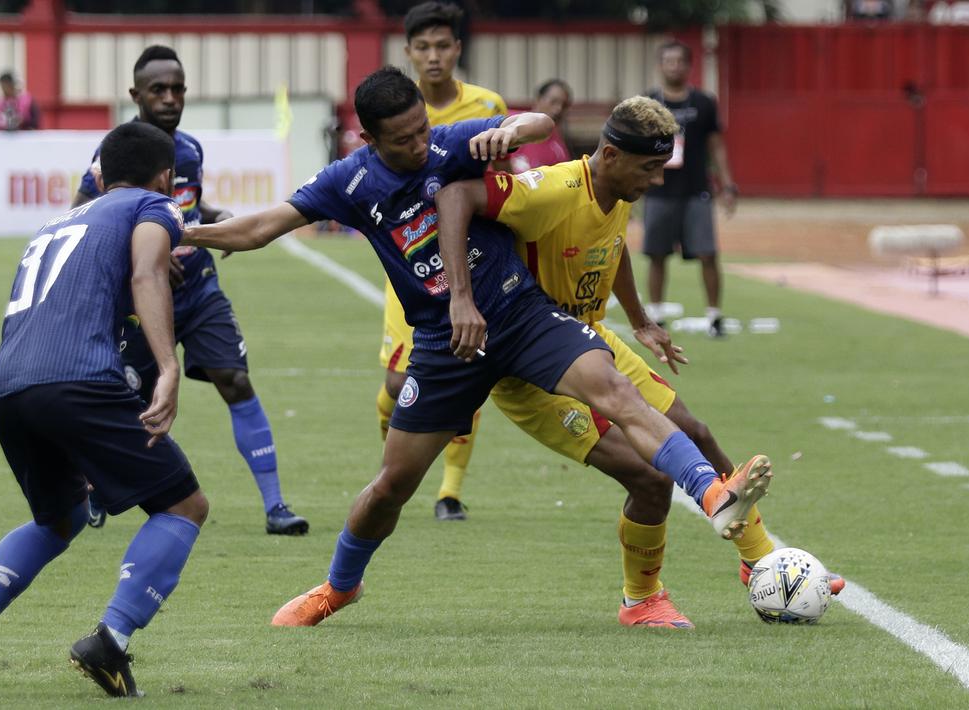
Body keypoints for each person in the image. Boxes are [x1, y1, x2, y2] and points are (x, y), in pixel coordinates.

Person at [177, 67, 773, 628]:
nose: (421, 146)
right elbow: (257, 229)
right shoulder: (347, 181)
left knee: (615, 389)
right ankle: (338, 586)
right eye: (404, 139)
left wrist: (512, 129)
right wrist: (182, 232)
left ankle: (711, 492)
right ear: (368, 137)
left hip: (521, 313)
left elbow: (539, 123)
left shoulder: (446, 143)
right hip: (445, 346)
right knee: (392, 485)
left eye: (423, 129)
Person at [437, 96, 843, 628]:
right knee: (649, 480)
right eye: (650, 168)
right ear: (609, 155)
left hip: (592, 339)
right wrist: (460, 298)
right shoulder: (553, 190)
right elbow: (455, 195)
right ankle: (640, 600)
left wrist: (642, 320)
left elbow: (612, 245)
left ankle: (759, 558)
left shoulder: (619, 187)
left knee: (694, 430)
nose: (656, 180)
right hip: (532, 363)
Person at [0, 121, 205, 698]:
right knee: (183, 505)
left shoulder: (57, 222)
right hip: (74, 378)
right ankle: (111, 638)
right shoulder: (155, 203)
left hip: (7, 385)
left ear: (100, 173)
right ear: (165, 176)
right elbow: (148, 271)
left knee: (60, 517)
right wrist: (169, 367)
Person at [71, 46, 307, 536]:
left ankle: (276, 506)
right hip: (138, 302)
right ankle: (92, 483)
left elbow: (187, 206)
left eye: (178, 88)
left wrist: (216, 219)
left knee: (235, 379)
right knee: (124, 401)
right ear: (135, 94)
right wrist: (142, 263)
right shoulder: (112, 155)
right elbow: (81, 222)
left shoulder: (191, 150)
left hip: (198, 290)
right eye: (158, 89)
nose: (170, 97)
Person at [384, 0, 510, 522]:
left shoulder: (486, 105)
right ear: (409, 52)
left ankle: (449, 491)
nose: (433, 56)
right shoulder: (395, 110)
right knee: (396, 386)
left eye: (442, 46)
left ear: (457, 48)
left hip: (470, 264)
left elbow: (501, 180)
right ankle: (395, 470)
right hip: (409, 265)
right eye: (423, 47)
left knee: (465, 369)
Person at [643, 40, 738, 337]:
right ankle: (656, 315)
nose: (674, 66)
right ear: (660, 65)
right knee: (656, 254)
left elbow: (717, 146)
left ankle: (714, 316)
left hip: (697, 189)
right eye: (668, 61)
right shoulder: (648, 103)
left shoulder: (704, 102)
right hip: (658, 189)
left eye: (680, 61)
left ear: (689, 66)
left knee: (708, 253)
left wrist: (727, 184)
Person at [508, 79, 572, 173]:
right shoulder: (510, 122)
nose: (558, 109)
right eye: (553, 102)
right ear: (538, 99)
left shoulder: (558, 149)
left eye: (564, 105)